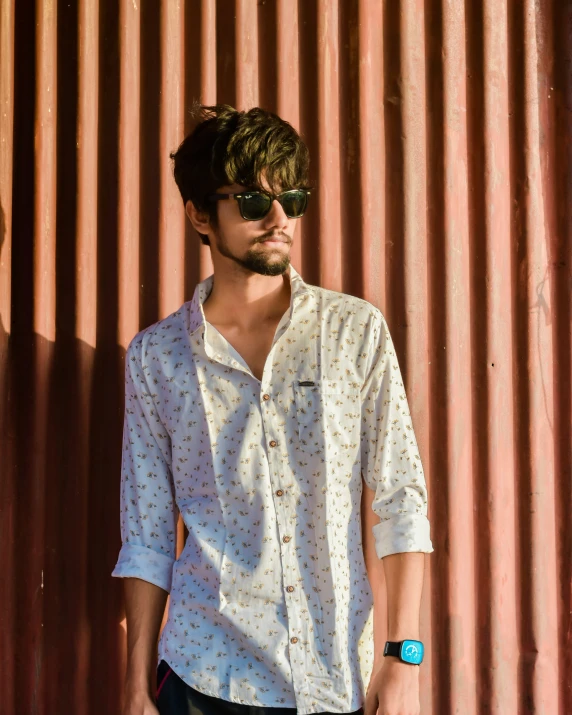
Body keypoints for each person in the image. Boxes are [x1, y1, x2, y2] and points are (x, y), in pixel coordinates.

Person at [112, 104, 434, 715]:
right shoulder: (157, 358)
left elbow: (400, 501)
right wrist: (134, 685)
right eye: (255, 203)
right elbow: (146, 533)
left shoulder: (353, 332)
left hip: (335, 676)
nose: (280, 218)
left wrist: (403, 661)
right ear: (199, 214)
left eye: (292, 197)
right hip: (204, 677)